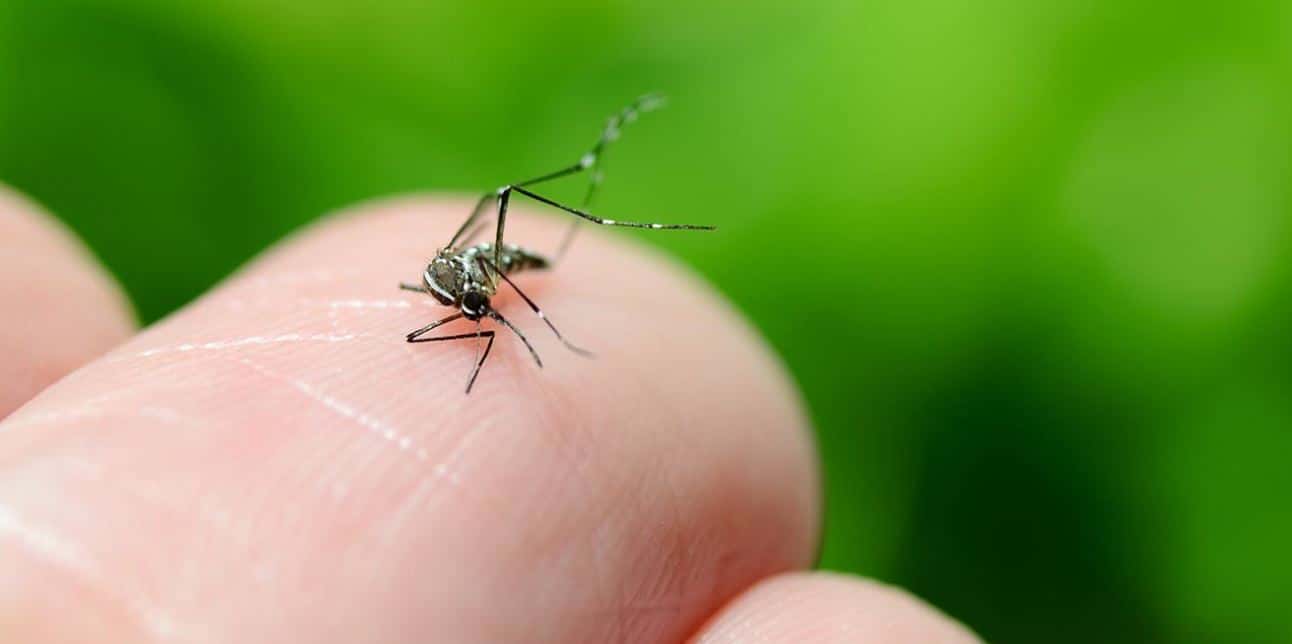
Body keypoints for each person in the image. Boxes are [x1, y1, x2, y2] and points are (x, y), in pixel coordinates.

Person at [0, 186, 979, 642]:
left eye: (476, 313)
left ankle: (604, 207)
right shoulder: (450, 309)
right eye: (470, 313)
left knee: (505, 211)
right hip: (458, 276)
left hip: (497, 257)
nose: (477, 326)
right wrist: (467, 328)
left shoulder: (485, 288)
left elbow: (472, 310)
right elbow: (440, 330)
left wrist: (500, 311)